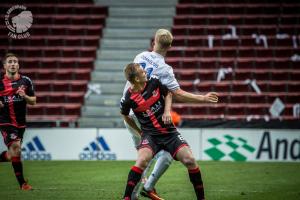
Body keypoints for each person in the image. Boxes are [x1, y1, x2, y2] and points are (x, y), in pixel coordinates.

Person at [122, 29, 218, 200]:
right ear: (170, 46)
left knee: (146, 157)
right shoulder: (164, 69)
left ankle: (140, 191)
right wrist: (202, 98)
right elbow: (176, 93)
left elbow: (133, 79)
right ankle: (143, 189)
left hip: (131, 112)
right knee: (158, 156)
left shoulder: (140, 56)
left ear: (155, 41)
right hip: (147, 117)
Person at [0, 53, 36, 190]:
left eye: (15, 61)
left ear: (18, 65)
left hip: (20, 123)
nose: (13, 63)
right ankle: (23, 184)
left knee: (12, 154)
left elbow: (33, 101)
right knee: (16, 148)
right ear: (5, 66)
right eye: (10, 62)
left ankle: (3, 157)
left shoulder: (26, 81)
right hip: (5, 121)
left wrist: (24, 95)